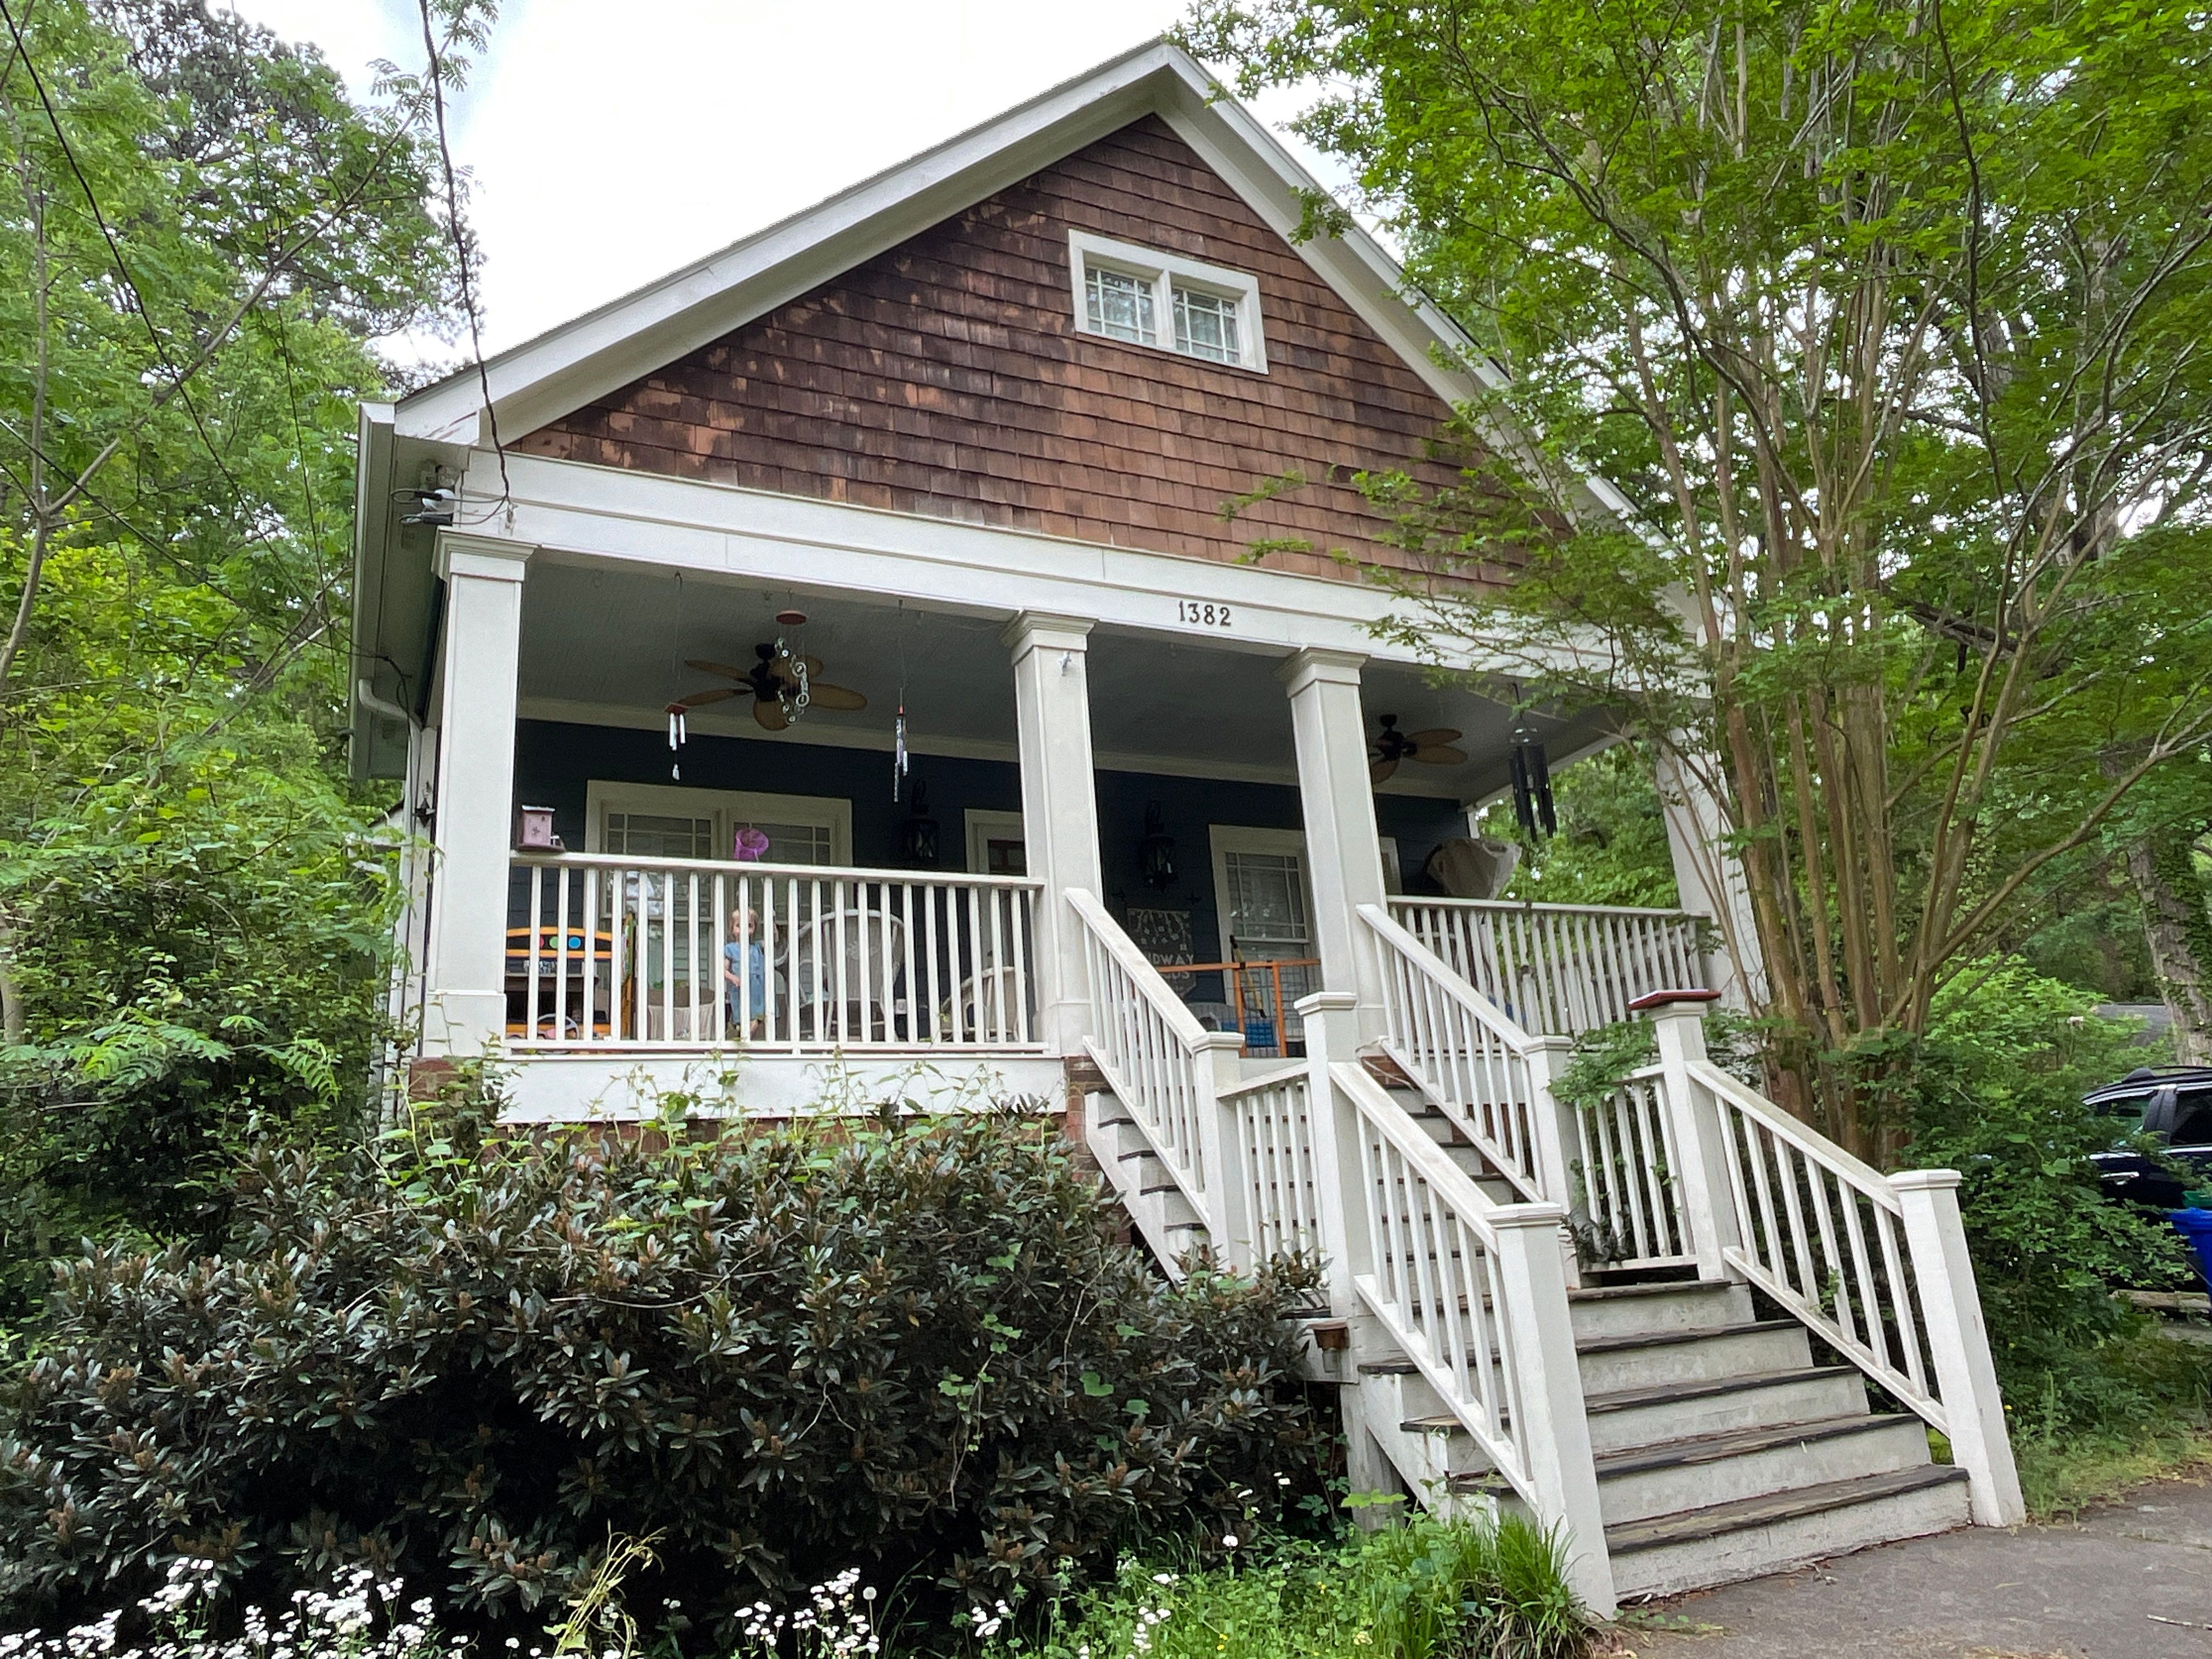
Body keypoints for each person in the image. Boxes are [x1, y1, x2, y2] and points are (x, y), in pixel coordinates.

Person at [723, 906, 767, 1038]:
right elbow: (723, 970)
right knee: (741, 1015)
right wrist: (733, 978)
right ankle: (742, 1036)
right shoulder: (730, 948)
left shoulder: (757, 947)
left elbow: (773, 940)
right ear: (733, 928)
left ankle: (746, 1036)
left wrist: (773, 925)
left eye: (749, 925)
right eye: (739, 926)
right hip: (740, 986)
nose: (744, 929)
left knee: (760, 1014)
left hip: (758, 987)